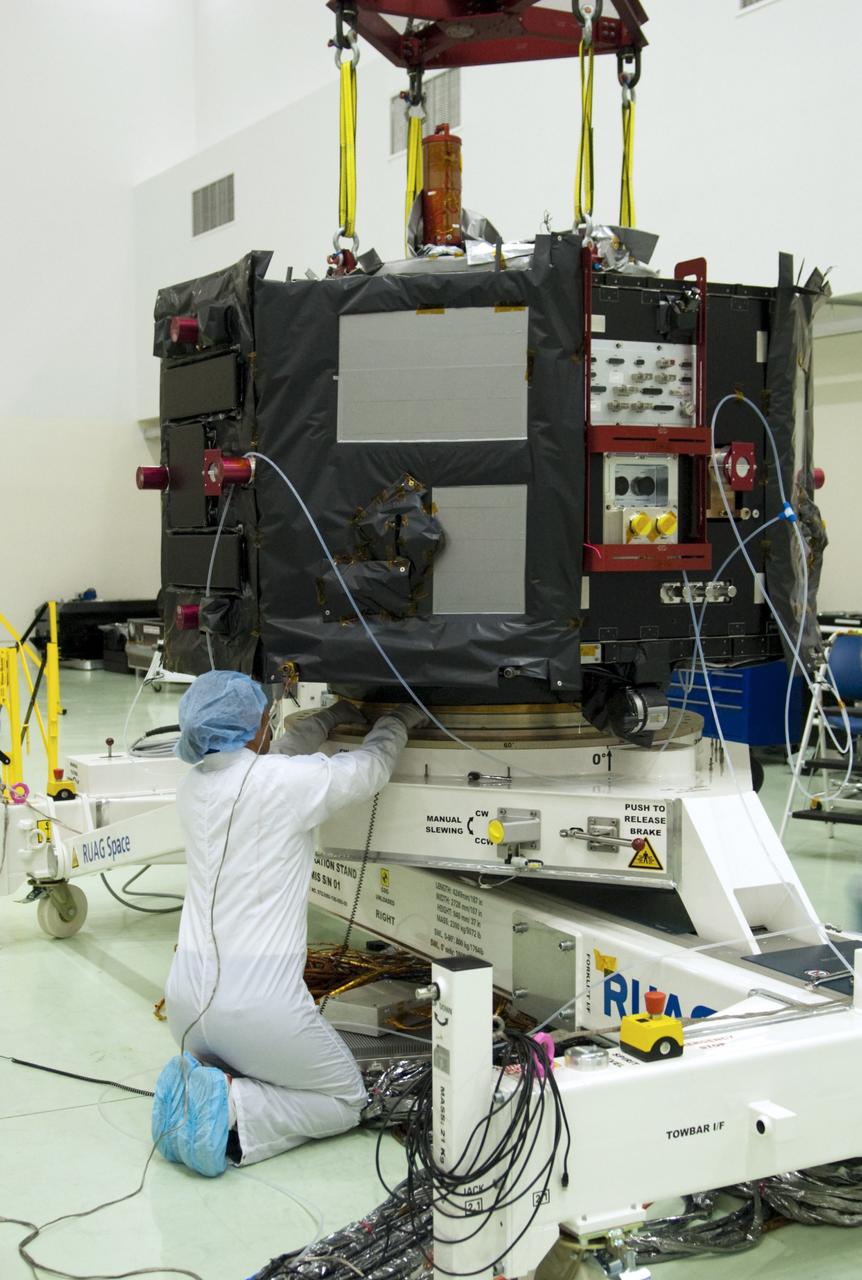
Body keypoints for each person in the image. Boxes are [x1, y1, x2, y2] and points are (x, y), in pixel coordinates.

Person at [151, 669, 424, 1177]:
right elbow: (369, 768)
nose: (271, 727)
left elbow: (272, 759)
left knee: (273, 1063)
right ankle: (232, 1106)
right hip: (257, 1009)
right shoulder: (283, 785)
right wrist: (398, 718)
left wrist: (332, 715)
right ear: (255, 726)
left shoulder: (194, 788)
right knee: (345, 1099)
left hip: (188, 1007)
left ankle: (210, 1079)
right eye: (265, 718)